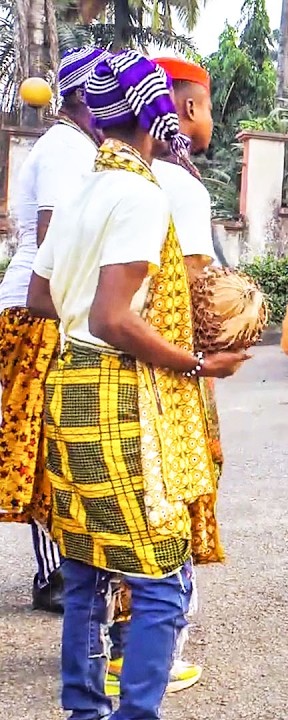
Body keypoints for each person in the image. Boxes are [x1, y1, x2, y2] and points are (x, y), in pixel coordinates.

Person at [27, 49, 248, 720]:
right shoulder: (142, 195)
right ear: (158, 120)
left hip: (69, 385)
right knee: (161, 581)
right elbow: (113, 316)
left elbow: (41, 298)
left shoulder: (81, 193)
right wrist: (194, 362)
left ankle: (85, 711)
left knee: (89, 570)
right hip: (123, 399)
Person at [95, 54, 222, 699]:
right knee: (169, 520)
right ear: (185, 109)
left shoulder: (108, 178)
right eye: (204, 106)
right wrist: (208, 361)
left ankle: (104, 660)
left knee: (112, 524)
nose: (208, 120)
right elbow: (198, 293)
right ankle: (148, 661)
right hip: (163, 377)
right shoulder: (180, 188)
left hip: (98, 377)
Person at [0, 46, 106, 616]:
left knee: (53, 441)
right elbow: (51, 239)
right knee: (45, 446)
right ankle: (53, 575)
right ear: (86, 97)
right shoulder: (66, 148)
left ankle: (62, 568)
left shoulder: (71, 145)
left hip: (40, 309)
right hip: (38, 311)